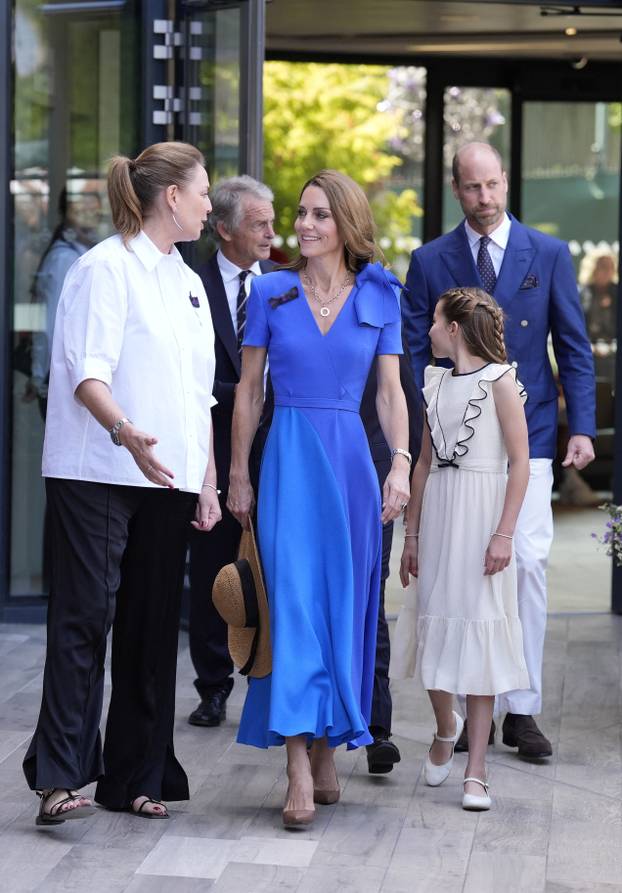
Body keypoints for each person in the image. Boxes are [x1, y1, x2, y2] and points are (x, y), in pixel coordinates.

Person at [23, 141, 221, 825]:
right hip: (97, 472)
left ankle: (134, 775)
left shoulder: (189, 281)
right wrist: (125, 431)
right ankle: (59, 777)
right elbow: (84, 373)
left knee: (150, 625)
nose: (208, 204)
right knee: (84, 619)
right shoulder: (102, 269)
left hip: (167, 479)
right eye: (202, 192)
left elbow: (200, 397)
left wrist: (208, 480)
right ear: (172, 196)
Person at [227, 170, 410, 828]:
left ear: (347, 225)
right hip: (289, 464)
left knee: (346, 608)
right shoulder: (270, 292)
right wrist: (238, 472)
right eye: (301, 213)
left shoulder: (382, 292)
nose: (303, 225)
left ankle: (330, 741)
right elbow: (249, 391)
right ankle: (297, 762)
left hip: (354, 471)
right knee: (295, 606)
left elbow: (390, 394)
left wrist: (402, 467)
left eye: (318, 215)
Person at [402, 141, 596, 759]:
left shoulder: (550, 253)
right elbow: (411, 352)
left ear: (505, 182)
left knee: (527, 564)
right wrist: (418, 435)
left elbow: (574, 346)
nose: (484, 199)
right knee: (459, 572)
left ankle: (524, 708)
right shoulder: (430, 260)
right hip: (455, 443)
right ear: (456, 189)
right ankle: (459, 709)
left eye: (492, 186)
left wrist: (582, 428)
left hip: (528, 435)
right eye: (472, 188)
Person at [396, 286, 530, 811]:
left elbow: (520, 461)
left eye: (434, 321)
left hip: (481, 517)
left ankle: (476, 769)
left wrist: (503, 534)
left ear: (453, 329)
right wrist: (412, 534)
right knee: (433, 625)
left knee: (478, 635)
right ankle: (443, 726)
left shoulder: (501, 381)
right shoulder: (432, 381)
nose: (427, 329)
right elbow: (424, 463)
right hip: (440, 518)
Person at [188, 175, 275, 728]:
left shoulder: (286, 286)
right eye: (258, 224)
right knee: (214, 571)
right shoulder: (189, 283)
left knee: (276, 567)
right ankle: (212, 685)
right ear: (223, 229)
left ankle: (267, 677)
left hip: (280, 448)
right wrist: (237, 394)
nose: (272, 233)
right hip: (212, 451)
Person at [360, 339, 422, 774]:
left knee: (370, 599)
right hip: (307, 463)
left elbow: (402, 392)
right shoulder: (292, 299)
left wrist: (405, 474)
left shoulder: (378, 301)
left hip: (375, 468)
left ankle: (378, 728)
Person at [30, 185, 101, 416]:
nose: (91, 216)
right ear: (68, 212)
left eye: (96, 212)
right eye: (83, 209)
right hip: (65, 379)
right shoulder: (66, 258)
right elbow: (50, 324)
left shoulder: (86, 253)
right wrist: (41, 376)